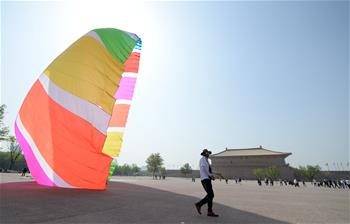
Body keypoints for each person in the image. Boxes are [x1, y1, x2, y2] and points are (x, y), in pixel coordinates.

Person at [194, 149, 219, 217]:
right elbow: (204, 169)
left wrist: (214, 174)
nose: (208, 154)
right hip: (205, 179)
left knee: (210, 195)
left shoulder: (206, 160)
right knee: (211, 195)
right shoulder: (202, 159)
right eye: (207, 153)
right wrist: (211, 175)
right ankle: (199, 204)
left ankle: (209, 211)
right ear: (204, 153)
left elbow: (208, 170)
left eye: (209, 153)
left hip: (207, 179)